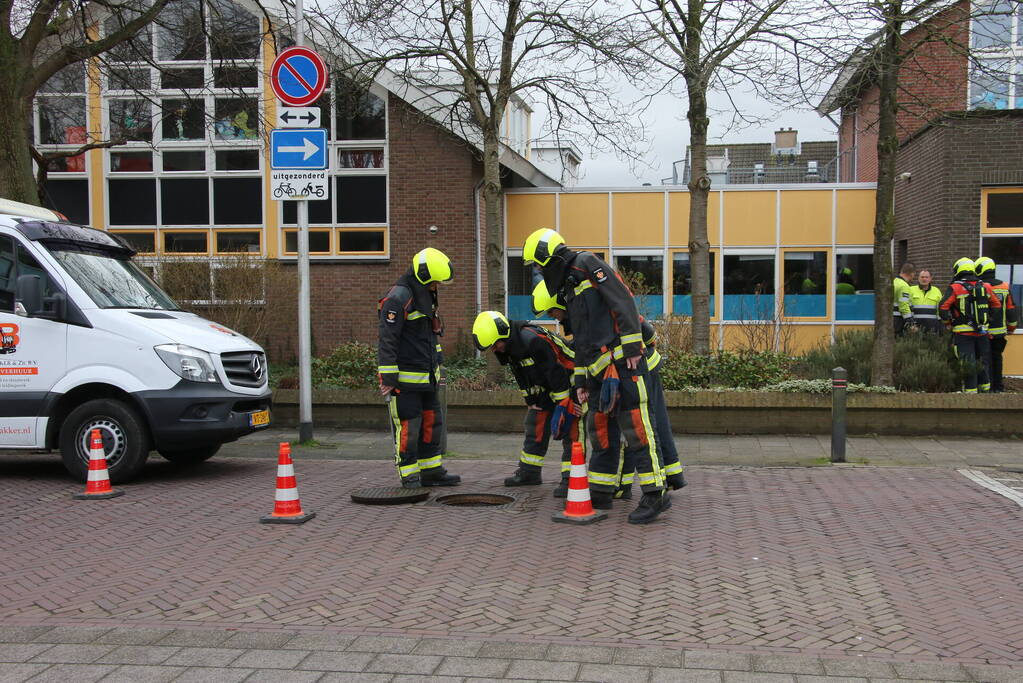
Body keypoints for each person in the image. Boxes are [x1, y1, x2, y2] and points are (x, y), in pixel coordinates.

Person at [523, 228, 668, 524]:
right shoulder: (569, 284)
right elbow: (582, 340)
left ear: (547, 257)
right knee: (598, 430)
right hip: (599, 372)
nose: (538, 271)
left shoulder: (586, 264)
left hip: (623, 364)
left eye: (538, 265)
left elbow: (622, 299)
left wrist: (632, 347)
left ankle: (655, 493)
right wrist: (581, 381)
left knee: (637, 427)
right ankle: (600, 492)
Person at [377, 247, 461, 488]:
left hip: (428, 378)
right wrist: (388, 376)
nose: (437, 286)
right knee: (409, 427)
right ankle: (409, 473)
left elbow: (429, 336)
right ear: (424, 276)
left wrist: (438, 362)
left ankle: (431, 471)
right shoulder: (398, 298)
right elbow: (387, 339)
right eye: (435, 281)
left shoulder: (424, 295)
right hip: (405, 382)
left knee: (432, 424)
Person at [471, 308, 577, 497]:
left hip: (570, 382)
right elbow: (521, 373)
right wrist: (530, 400)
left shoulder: (532, 340)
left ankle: (570, 479)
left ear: (503, 334)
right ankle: (530, 473)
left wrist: (564, 403)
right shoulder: (510, 346)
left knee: (570, 430)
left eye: (495, 345)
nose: (494, 350)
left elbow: (556, 371)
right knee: (534, 423)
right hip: (548, 387)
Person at [939, 258, 1001, 393]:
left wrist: (949, 323)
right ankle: (985, 393)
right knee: (983, 364)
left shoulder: (955, 287)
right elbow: (997, 305)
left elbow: (943, 308)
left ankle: (970, 394)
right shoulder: (985, 286)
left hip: (963, 335)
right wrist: (988, 319)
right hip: (982, 333)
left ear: (958, 270)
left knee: (968, 364)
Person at [975, 256, 1018, 392]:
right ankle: (998, 387)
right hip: (999, 332)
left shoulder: (978, 286)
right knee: (997, 359)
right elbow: (1011, 309)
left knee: (984, 360)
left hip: (982, 331)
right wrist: (1012, 327)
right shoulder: (1004, 286)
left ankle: (986, 387)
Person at [908, 269, 943, 333]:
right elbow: (907, 308)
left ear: (930, 279)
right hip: (915, 327)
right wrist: (910, 324)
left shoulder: (936, 291)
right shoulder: (911, 290)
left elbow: (940, 310)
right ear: (918, 278)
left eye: (926, 277)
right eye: (922, 277)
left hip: (932, 327)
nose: (924, 279)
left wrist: (939, 324)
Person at [893, 262, 916, 335]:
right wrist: (910, 322)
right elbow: (904, 305)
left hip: (891, 319)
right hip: (899, 320)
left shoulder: (894, 282)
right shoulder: (904, 286)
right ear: (912, 274)